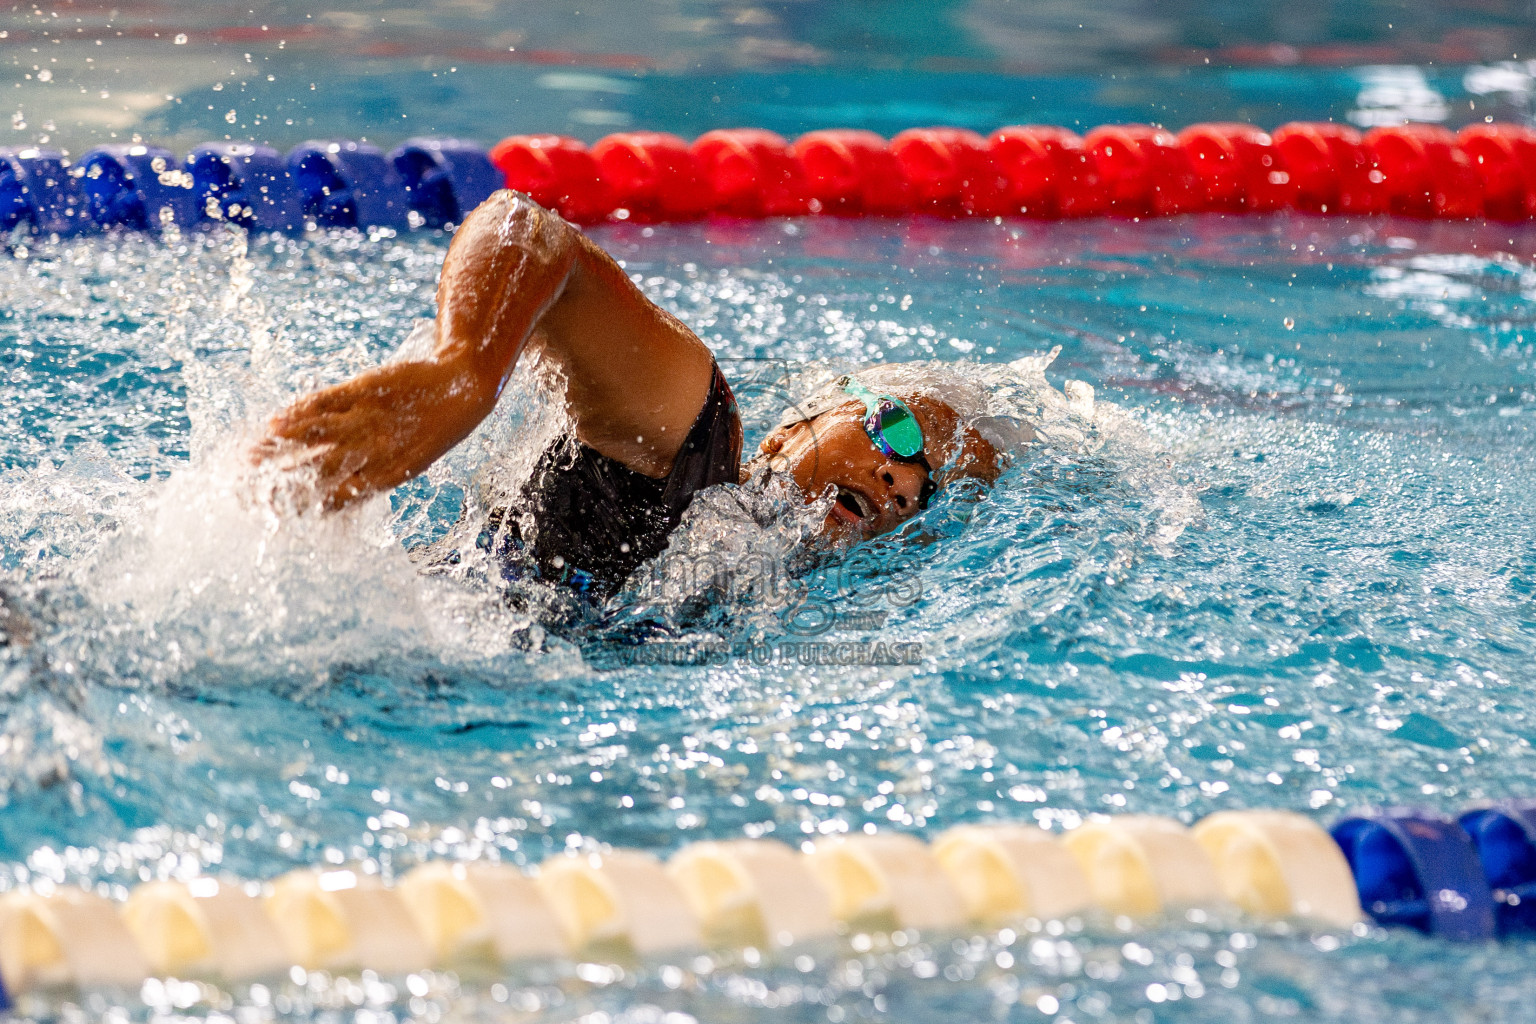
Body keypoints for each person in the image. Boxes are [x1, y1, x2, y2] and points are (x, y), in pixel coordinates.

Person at [253, 190, 1005, 599]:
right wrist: (465, 370)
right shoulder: (695, 433)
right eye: (894, 432)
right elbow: (527, 230)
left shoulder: (766, 607)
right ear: (795, 426)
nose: (899, 478)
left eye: (919, 490)